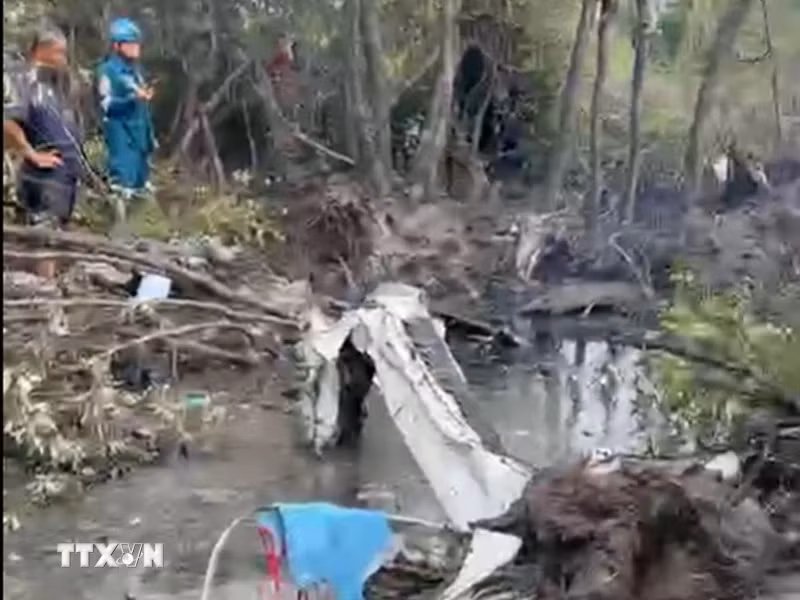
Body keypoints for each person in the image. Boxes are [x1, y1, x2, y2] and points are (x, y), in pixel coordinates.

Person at [3, 24, 84, 278]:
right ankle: (43, 294)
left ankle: (54, 292)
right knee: (44, 238)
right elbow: (8, 120)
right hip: (42, 176)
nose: (63, 59)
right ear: (42, 50)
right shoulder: (24, 79)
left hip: (65, 175)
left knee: (58, 237)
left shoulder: (56, 83)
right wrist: (31, 153)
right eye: (59, 53)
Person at [96, 17, 156, 211]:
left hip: (140, 139)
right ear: (117, 45)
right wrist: (133, 100)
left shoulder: (136, 72)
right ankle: (117, 232)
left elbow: (142, 109)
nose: (136, 47)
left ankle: (139, 232)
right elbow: (107, 106)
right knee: (122, 188)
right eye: (130, 43)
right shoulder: (107, 71)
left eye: (137, 42)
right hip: (122, 137)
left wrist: (149, 137)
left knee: (141, 191)